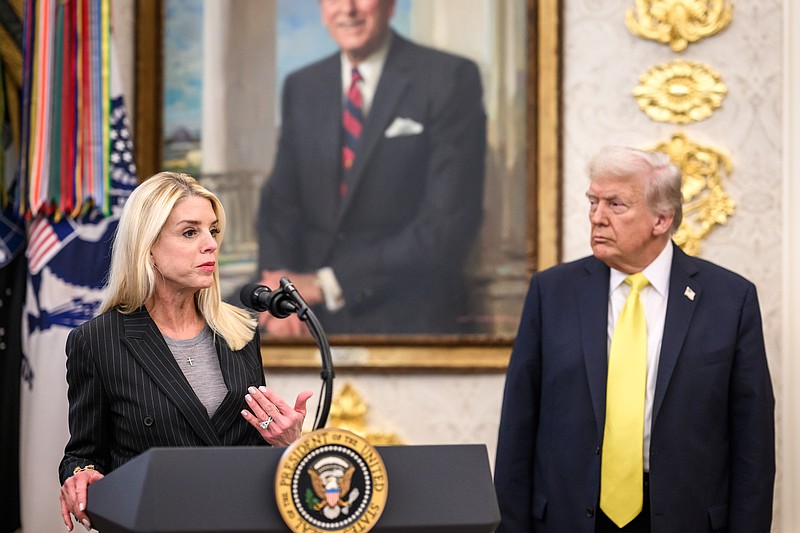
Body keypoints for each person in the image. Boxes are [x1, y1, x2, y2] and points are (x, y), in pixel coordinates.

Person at [493, 146, 775, 532]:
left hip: (683, 519)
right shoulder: (552, 292)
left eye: (615, 204)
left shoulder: (729, 300)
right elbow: (517, 427)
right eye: (593, 201)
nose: (597, 217)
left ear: (662, 219)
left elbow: (753, 445)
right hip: (571, 517)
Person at [58, 172, 313, 531]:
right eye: (190, 232)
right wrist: (80, 475)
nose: (210, 244)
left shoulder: (240, 330)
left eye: (213, 231)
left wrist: (287, 442)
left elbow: (253, 447)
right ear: (147, 246)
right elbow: (83, 453)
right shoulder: (97, 341)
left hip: (240, 523)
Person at [256, 0, 486, 335]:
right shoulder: (302, 85)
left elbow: (446, 225)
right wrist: (281, 291)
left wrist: (326, 284)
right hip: (304, 310)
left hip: (407, 309)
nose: (347, 9)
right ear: (322, 10)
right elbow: (280, 204)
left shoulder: (448, 78)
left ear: (391, 5)